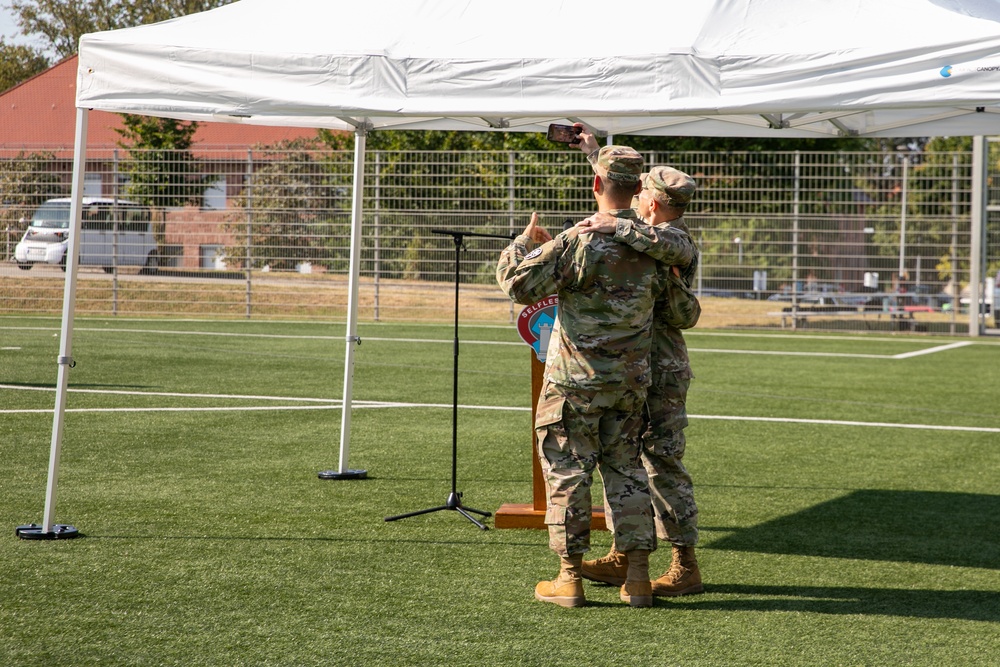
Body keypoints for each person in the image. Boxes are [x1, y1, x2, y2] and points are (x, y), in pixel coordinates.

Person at [496, 145, 663, 608]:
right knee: (627, 472)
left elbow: (517, 284)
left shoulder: (578, 240)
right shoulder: (652, 242)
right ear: (638, 190)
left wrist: (525, 243)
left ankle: (569, 579)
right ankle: (639, 579)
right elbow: (682, 309)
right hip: (629, 385)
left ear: (595, 185)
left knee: (569, 474)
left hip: (575, 384)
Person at [572, 127, 705, 597]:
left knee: (662, 462)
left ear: (652, 202)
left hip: (660, 372)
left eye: (641, 191)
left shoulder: (673, 238)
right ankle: (623, 554)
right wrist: (594, 154)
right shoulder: (646, 230)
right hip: (630, 367)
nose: (634, 196)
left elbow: (657, 242)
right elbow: (613, 190)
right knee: (623, 458)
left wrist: (618, 226)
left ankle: (684, 565)